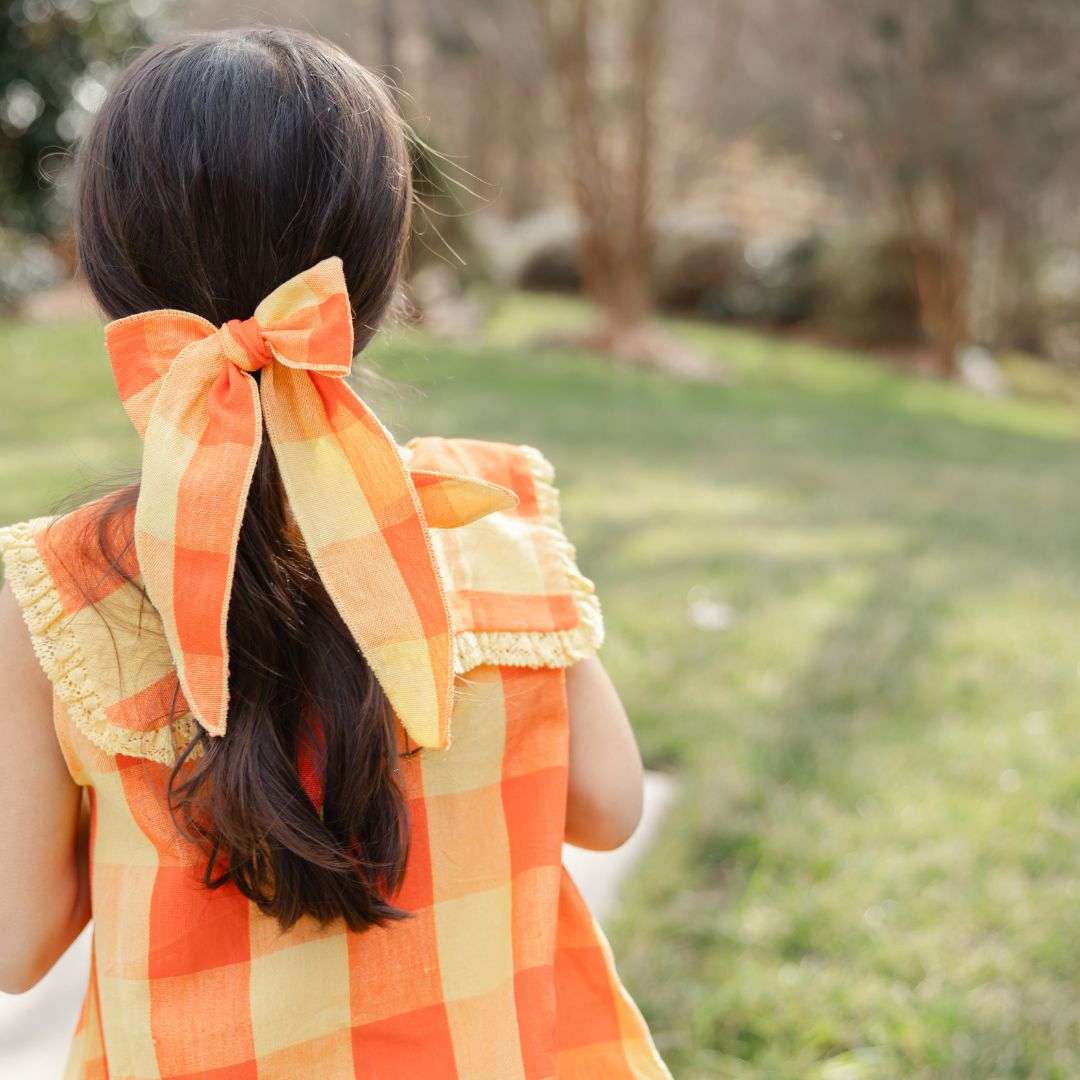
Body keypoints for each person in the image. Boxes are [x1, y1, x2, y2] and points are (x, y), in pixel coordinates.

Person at [0, 26, 672, 1080]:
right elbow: (609, 805)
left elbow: (17, 941)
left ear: (109, 282)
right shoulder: (485, 526)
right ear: (377, 280)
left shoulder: (60, 593)